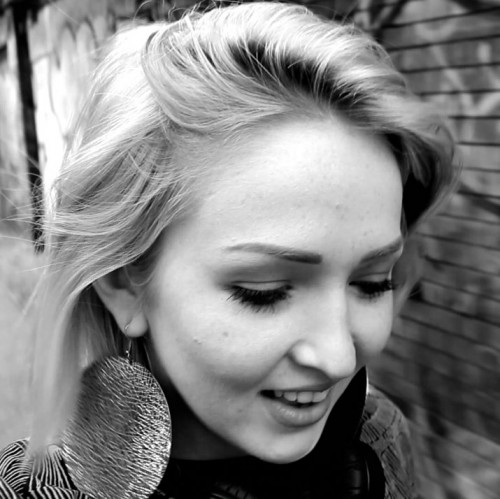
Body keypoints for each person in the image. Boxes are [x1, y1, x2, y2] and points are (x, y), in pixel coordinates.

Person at [0, 2, 455, 498]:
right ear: (122, 281)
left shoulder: (382, 437)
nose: (339, 357)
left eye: (372, 283)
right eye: (265, 291)